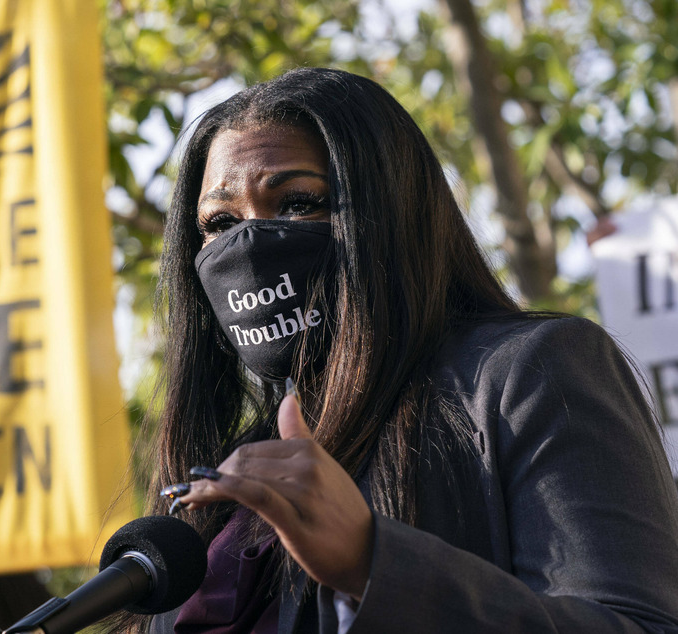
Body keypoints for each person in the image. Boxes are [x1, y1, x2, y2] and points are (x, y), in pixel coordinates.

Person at [128, 67, 678, 633]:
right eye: (220, 221)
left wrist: (373, 564)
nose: (249, 247)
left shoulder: (531, 372)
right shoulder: (230, 472)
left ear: (390, 210)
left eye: (297, 203)